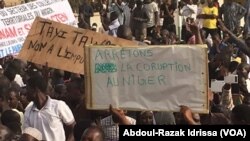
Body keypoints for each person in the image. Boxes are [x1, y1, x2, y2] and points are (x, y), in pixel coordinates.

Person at [24, 74, 76, 141]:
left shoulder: (58, 106)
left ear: (35, 90)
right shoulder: (28, 111)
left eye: (28, 89)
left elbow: (73, 127)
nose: (26, 92)